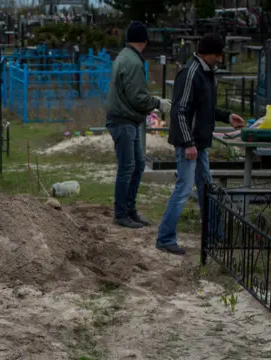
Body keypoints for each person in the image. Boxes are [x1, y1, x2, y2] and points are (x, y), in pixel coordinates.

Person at [157, 34, 245, 255]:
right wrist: (188, 143)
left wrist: (227, 115)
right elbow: (180, 111)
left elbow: (205, 108)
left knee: (207, 188)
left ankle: (214, 233)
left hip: (200, 143)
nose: (220, 58)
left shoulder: (208, 73)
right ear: (209, 54)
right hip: (190, 143)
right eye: (218, 54)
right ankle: (165, 237)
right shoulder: (191, 73)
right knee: (184, 190)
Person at [105, 21, 172, 229]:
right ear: (144, 40)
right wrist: (158, 103)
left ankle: (129, 209)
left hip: (126, 119)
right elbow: (137, 97)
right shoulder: (133, 62)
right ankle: (121, 213)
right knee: (128, 167)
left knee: (138, 165)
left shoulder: (124, 56)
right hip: (123, 120)